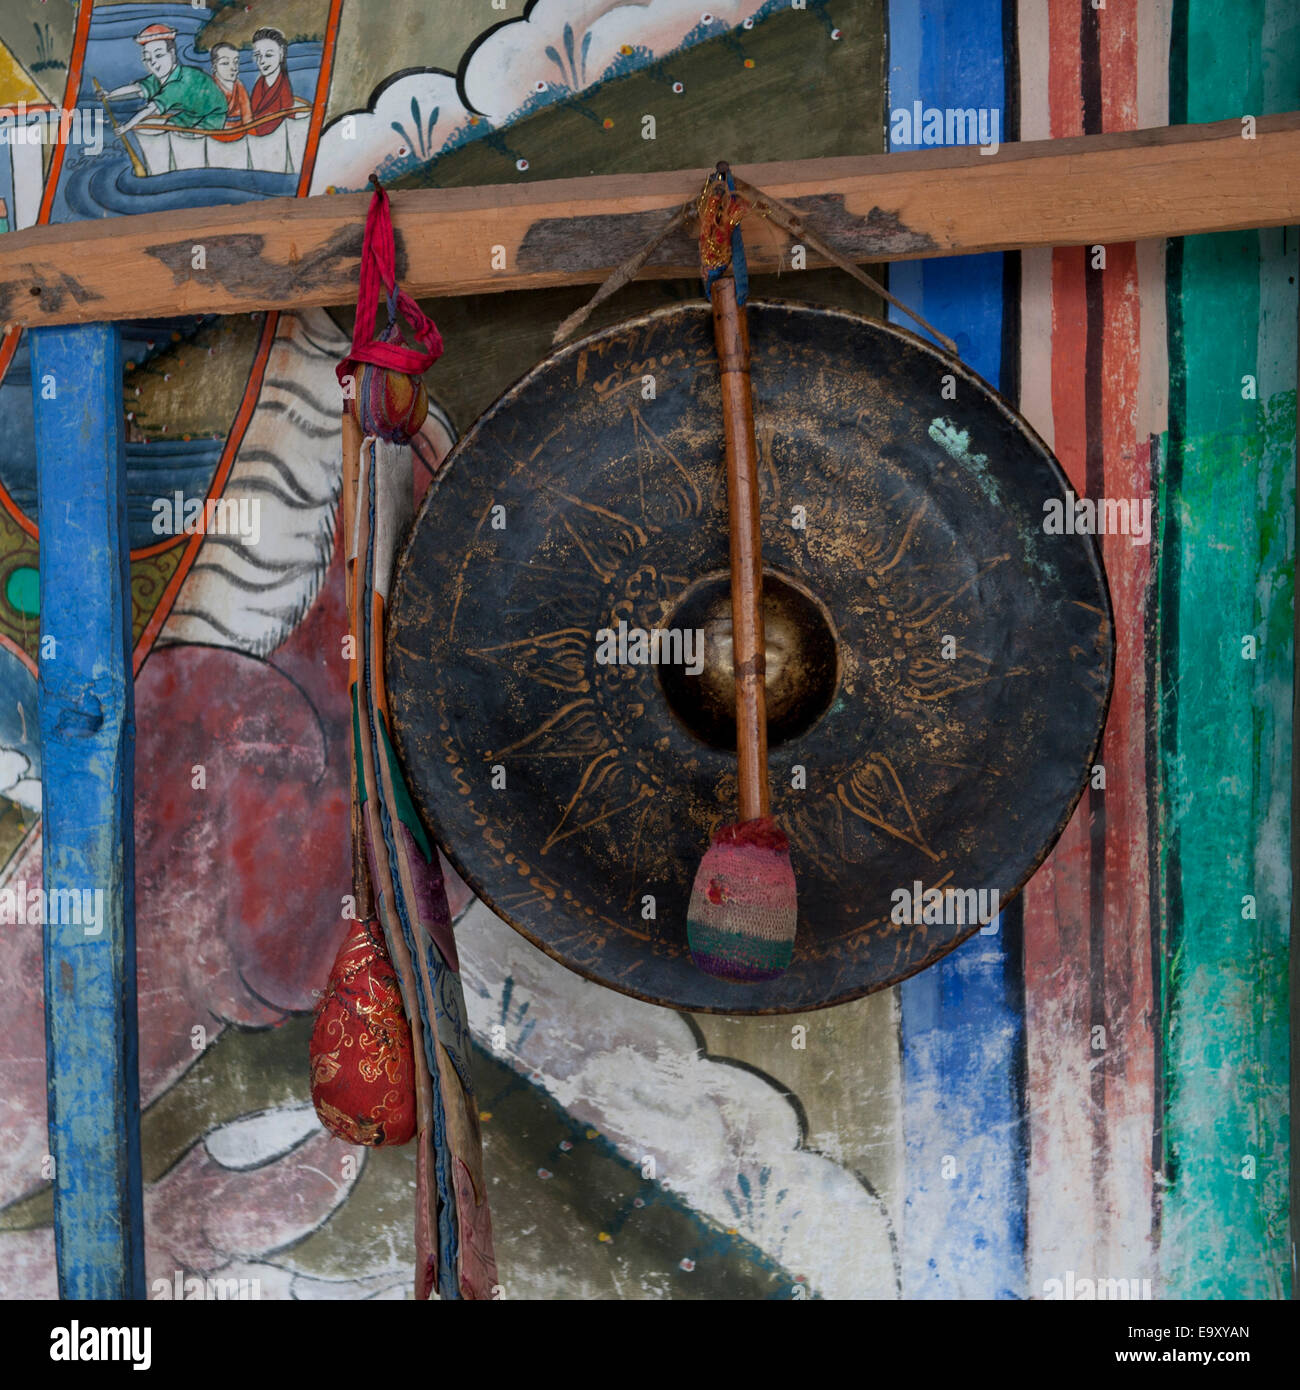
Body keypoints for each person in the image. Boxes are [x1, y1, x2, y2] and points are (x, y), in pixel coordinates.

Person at [108, 23, 226, 133]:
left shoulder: (178, 84)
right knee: (161, 127)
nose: (153, 62)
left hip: (211, 118)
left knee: (175, 135)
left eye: (159, 55)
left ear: (172, 54)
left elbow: (150, 108)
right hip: (190, 115)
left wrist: (126, 127)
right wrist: (109, 95)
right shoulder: (159, 78)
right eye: (147, 58)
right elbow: (136, 89)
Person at [248, 28, 295, 137]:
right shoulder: (258, 85)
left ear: (281, 53)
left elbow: (290, 126)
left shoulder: (284, 89)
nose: (261, 61)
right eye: (258, 55)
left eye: (268, 55)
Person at [210, 43, 252, 134]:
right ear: (214, 66)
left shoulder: (239, 85)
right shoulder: (209, 87)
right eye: (225, 63)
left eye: (236, 62)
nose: (233, 68)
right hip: (217, 135)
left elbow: (247, 116)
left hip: (240, 133)